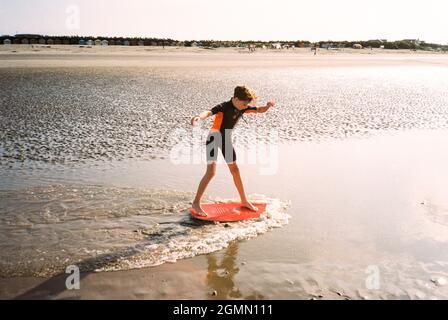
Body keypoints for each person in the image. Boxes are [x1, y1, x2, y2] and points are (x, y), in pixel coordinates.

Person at [190, 85, 275, 216]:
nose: (246, 106)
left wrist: (268, 106)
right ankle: (196, 203)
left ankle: (244, 200)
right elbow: (208, 112)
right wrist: (199, 118)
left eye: (247, 104)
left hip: (226, 140)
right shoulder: (223, 107)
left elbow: (260, 109)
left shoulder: (243, 108)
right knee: (211, 172)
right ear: (235, 98)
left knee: (235, 170)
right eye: (244, 104)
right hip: (213, 138)